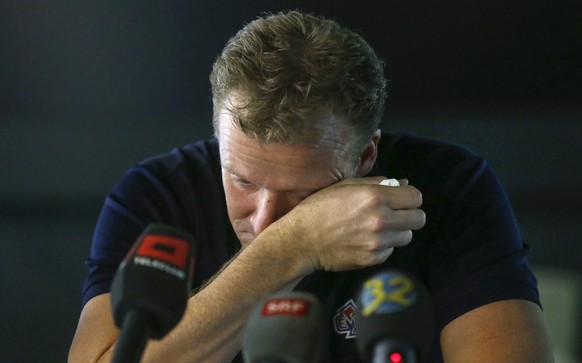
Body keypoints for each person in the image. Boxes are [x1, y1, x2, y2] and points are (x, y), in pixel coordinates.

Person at [68, 10, 554, 363]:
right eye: (242, 179)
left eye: (302, 194)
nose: (263, 219)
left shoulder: (450, 186)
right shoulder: (157, 193)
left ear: (365, 157)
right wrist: (293, 246)